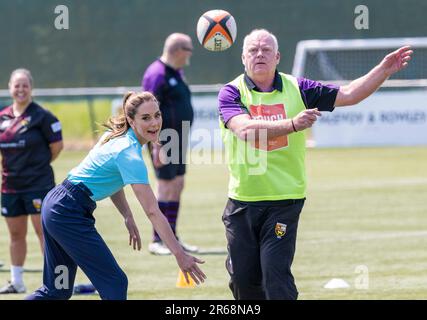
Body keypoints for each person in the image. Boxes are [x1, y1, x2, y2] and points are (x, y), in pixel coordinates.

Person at [218, 29, 412, 300]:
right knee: (244, 283)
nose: (259, 54)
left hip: (285, 201)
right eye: (253, 50)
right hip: (242, 201)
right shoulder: (230, 93)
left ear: (277, 57)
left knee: (276, 275)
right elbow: (246, 130)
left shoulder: (299, 88)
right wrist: (293, 124)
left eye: (265, 50)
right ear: (243, 57)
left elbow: (348, 94)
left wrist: (383, 70)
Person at [26, 91, 206, 300]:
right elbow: (152, 211)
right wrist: (179, 254)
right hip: (67, 212)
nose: (155, 122)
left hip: (57, 205)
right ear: (131, 119)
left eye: (157, 115)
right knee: (114, 281)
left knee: (57, 289)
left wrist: (127, 215)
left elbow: (113, 179)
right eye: (146, 118)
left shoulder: (117, 135)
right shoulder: (128, 153)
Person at [0, 69, 63, 294]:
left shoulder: (43, 117)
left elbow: (56, 148)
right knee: (16, 235)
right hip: (10, 186)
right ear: (9, 87)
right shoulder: (2, 117)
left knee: (44, 234)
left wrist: (35, 168)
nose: (20, 90)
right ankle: (16, 282)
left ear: (31, 88)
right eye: (16, 85)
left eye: (25, 85)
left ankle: (53, 283)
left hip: (39, 185)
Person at [142, 33, 198, 255]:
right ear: (178, 50)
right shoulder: (157, 74)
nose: (190, 55)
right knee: (165, 186)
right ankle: (157, 240)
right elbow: (146, 112)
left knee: (177, 184)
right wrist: (155, 143)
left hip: (178, 139)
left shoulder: (177, 73)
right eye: (189, 50)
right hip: (162, 140)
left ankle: (172, 237)